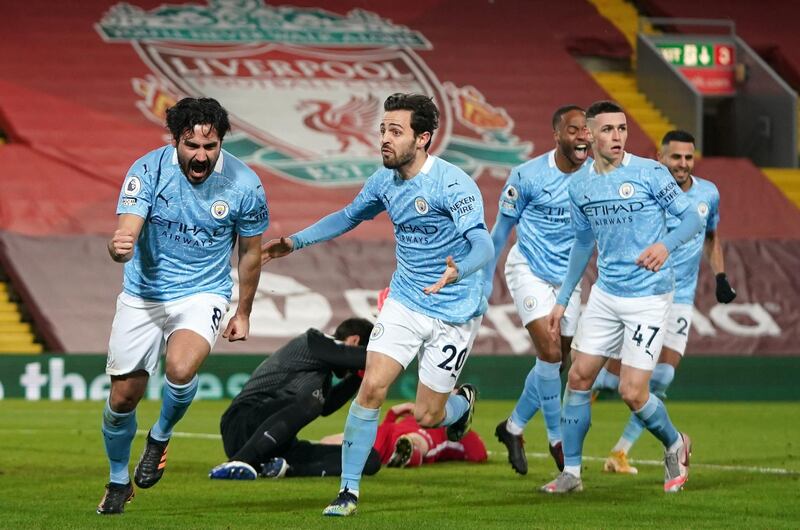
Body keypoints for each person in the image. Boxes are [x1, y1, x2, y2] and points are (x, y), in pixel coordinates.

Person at [262, 93, 493, 516]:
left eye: (396, 131)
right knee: (371, 387)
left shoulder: (453, 184)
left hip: (455, 309)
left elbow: (482, 242)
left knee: (427, 415)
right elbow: (349, 215)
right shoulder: (384, 181)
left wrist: (458, 269)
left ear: (423, 138)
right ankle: (348, 492)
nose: (384, 139)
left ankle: (461, 405)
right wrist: (295, 241)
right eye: (383, 130)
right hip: (405, 301)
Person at [97, 97, 269, 515]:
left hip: (202, 292)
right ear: (176, 141)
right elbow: (127, 230)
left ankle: (160, 436)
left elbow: (249, 253)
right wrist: (119, 247)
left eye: (210, 148)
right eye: (192, 146)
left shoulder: (245, 184)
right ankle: (119, 480)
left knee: (180, 368)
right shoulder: (148, 170)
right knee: (122, 399)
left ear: (221, 144)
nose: (201, 156)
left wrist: (243, 310)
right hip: (143, 294)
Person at [540, 101, 702, 494]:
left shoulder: (650, 172)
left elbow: (691, 218)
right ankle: (572, 474)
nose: (617, 136)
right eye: (608, 129)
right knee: (578, 376)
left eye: (622, 128)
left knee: (632, 391)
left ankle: (674, 443)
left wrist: (665, 245)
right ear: (590, 135)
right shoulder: (580, 184)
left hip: (648, 296)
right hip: (606, 294)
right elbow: (582, 242)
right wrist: (562, 299)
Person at [593, 130, 736, 475]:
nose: (683, 164)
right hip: (644, 294)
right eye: (676, 157)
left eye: (688, 157)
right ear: (660, 157)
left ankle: (620, 452)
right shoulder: (645, 189)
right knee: (610, 382)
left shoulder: (708, 194)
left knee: (662, 379)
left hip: (681, 298)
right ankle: (580, 405)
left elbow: (712, 236)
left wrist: (720, 277)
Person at [485, 105, 590, 475]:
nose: (583, 137)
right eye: (574, 130)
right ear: (557, 135)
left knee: (558, 360)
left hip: (568, 279)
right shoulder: (527, 175)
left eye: (586, 130)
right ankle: (557, 437)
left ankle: (512, 428)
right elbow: (500, 230)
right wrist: (485, 276)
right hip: (528, 268)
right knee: (548, 349)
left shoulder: (597, 177)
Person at [207, 317, 376, 480]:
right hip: (242, 423)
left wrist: (359, 377)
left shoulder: (322, 376)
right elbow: (359, 358)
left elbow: (327, 406)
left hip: (276, 442)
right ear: (354, 341)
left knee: (366, 458)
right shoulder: (314, 340)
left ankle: (281, 469)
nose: (351, 371)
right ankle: (239, 462)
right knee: (312, 401)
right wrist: (386, 353)